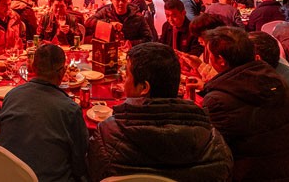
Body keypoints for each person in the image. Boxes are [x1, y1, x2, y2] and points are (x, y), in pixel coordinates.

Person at [89, 42, 232, 182]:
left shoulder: (107, 134)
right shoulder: (213, 142)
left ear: (144, 87)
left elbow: (93, 173)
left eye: (127, 75)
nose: (124, 82)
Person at [200, 27, 289, 182]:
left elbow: (214, 157)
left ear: (220, 60)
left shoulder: (218, 100)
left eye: (209, 55)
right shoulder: (276, 79)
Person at [0, 44, 89, 182]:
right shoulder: (70, 109)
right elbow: (79, 162)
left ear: (33, 67)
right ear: (63, 72)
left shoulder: (11, 96)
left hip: (10, 176)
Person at [86, 0, 153, 45]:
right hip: (108, 48)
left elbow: (148, 38)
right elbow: (88, 22)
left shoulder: (136, 15)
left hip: (130, 51)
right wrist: (109, 23)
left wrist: (131, 43)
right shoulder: (106, 11)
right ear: (111, 0)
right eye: (117, 0)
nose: (121, 3)